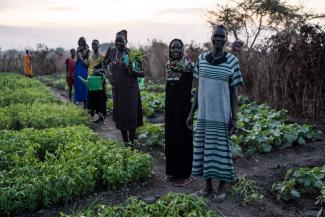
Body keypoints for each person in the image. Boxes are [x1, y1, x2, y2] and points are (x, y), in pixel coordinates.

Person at [186, 25, 243, 202]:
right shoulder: (202, 59)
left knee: (221, 152)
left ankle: (222, 187)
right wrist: (191, 113)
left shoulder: (232, 61)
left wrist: (234, 118)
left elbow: (234, 93)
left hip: (221, 116)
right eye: (216, 36)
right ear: (211, 37)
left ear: (226, 39)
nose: (219, 39)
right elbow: (198, 90)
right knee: (204, 151)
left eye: (222, 37)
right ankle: (208, 187)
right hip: (203, 115)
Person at [104, 30, 144, 148]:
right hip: (118, 90)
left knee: (131, 116)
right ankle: (125, 143)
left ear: (126, 42)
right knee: (121, 116)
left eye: (121, 41)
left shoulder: (133, 55)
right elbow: (104, 63)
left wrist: (131, 70)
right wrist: (108, 75)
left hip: (131, 90)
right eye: (116, 41)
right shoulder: (112, 52)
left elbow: (142, 73)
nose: (118, 44)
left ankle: (131, 143)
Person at [165, 39, 194, 187]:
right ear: (169, 50)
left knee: (183, 138)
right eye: (172, 47)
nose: (175, 50)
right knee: (171, 136)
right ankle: (173, 171)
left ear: (182, 49)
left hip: (183, 107)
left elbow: (197, 79)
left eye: (178, 47)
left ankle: (185, 174)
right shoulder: (169, 64)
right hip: (170, 106)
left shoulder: (189, 65)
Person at [83, 39, 107, 123]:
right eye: (93, 45)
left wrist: (98, 71)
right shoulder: (90, 56)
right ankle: (93, 116)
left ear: (99, 46)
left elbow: (105, 70)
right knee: (91, 99)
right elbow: (86, 65)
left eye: (96, 45)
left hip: (99, 81)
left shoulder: (102, 57)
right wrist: (84, 56)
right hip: (91, 81)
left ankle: (101, 117)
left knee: (100, 100)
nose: (94, 46)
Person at [74, 37, 89, 108]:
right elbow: (79, 58)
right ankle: (81, 100)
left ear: (84, 42)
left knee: (85, 83)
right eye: (80, 41)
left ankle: (86, 102)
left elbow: (88, 57)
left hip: (84, 67)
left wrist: (86, 64)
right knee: (79, 83)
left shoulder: (87, 48)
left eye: (82, 41)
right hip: (79, 66)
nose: (80, 43)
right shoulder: (78, 49)